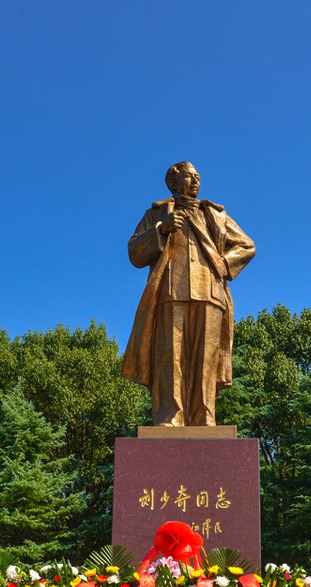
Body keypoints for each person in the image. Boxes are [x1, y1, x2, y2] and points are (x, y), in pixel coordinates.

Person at [121, 162, 255, 426]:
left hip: (209, 293)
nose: (195, 182)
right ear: (173, 183)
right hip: (169, 292)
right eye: (189, 177)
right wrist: (161, 229)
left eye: (198, 177)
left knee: (206, 359)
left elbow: (246, 246)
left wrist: (224, 265)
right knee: (169, 356)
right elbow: (135, 252)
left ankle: (204, 416)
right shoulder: (157, 213)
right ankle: (170, 415)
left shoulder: (214, 214)